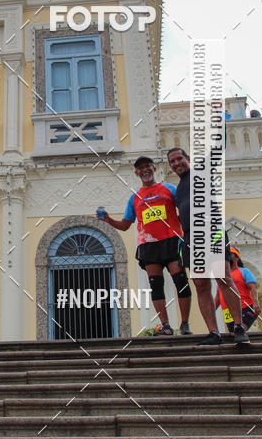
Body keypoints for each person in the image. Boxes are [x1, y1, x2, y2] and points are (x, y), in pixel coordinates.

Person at [98, 156, 191, 336]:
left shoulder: (169, 188)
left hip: (171, 240)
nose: (144, 170)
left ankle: (185, 324)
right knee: (156, 285)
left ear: (154, 168)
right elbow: (126, 225)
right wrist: (108, 220)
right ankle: (165, 325)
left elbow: (184, 207)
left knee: (180, 281)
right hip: (148, 245)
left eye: (147, 166)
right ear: (136, 173)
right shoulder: (135, 197)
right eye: (140, 168)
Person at [167, 147, 249, 345]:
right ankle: (214, 332)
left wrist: (220, 118)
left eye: (179, 159)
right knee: (201, 285)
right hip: (191, 238)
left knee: (224, 278)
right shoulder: (177, 190)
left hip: (212, 233)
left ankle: (238, 327)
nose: (177, 163)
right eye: (172, 162)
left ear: (188, 158)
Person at [215, 247, 260, 334]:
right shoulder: (221, 276)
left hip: (245, 307)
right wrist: (211, 311)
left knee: (240, 330)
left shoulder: (244, 271)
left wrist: (256, 302)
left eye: (230, 253)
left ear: (237, 257)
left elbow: (253, 287)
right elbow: (218, 296)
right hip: (227, 311)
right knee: (234, 334)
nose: (227, 256)